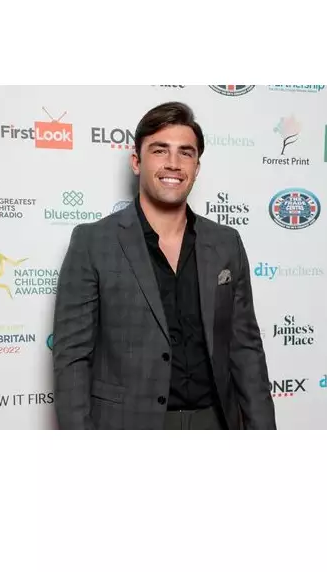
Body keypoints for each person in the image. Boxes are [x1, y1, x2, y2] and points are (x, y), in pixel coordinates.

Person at [52, 101, 276, 430]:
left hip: (214, 422)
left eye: (185, 153)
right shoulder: (93, 242)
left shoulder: (226, 242)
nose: (173, 163)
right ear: (136, 162)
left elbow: (246, 350)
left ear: (196, 167)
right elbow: (72, 357)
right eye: (160, 150)